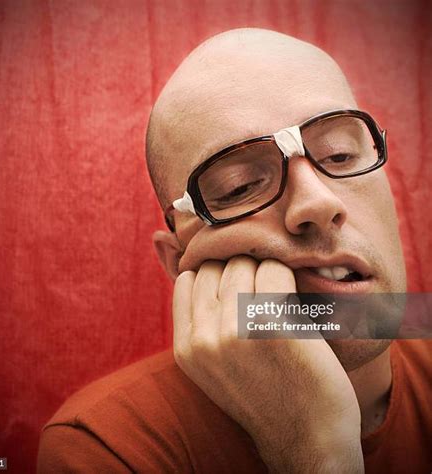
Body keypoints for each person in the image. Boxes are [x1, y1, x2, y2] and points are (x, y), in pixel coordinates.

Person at [37, 28, 431, 473]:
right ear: (179, 262)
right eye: (239, 186)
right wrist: (315, 453)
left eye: (340, 155)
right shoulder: (110, 447)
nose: (318, 203)